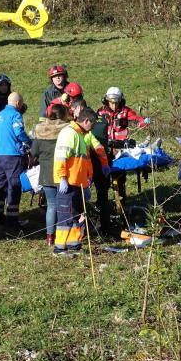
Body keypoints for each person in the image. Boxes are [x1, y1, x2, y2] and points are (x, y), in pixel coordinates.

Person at [53, 107, 110, 254]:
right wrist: (62, 178)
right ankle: (59, 248)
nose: (92, 128)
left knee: (76, 216)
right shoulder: (69, 133)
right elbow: (61, 157)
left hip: (78, 183)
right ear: (86, 121)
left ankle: (74, 245)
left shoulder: (80, 135)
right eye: (91, 125)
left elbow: (85, 160)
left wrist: (87, 179)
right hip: (68, 183)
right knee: (65, 217)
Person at [98, 86, 151, 207]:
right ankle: (103, 204)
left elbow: (136, 119)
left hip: (121, 146)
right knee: (104, 180)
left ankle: (122, 202)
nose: (114, 105)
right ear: (106, 101)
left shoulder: (126, 111)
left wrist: (143, 122)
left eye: (116, 102)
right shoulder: (100, 112)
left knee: (120, 177)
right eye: (111, 102)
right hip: (105, 146)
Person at [31, 104, 70, 246]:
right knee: (64, 206)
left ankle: (49, 237)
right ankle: (63, 235)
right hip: (63, 173)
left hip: (46, 173)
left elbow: (33, 153)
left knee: (51, 206)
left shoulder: (41, 131)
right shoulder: (67, 131)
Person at [0, 92, 31, 231]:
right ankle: (12, 220)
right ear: (17, 103)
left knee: (0, 185)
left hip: (0, 155)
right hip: (13, 156)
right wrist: (29, 142)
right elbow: (19, 132)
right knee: (14, 186)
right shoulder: (15, 115)